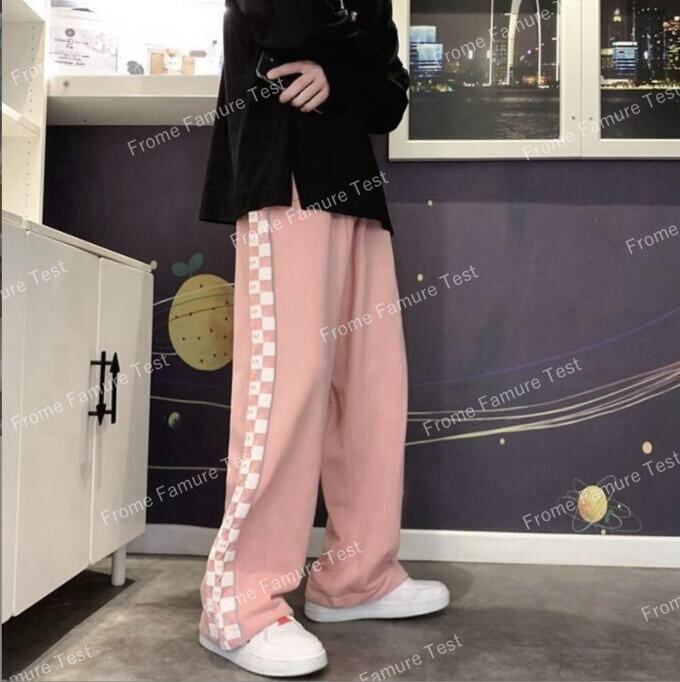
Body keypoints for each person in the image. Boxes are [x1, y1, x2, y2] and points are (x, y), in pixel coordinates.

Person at [198, 0, 449, 676]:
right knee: (287, 390)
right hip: (283, 175)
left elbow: (390, 99)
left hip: (355, 188)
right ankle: (238, 605)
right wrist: (355, 56)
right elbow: (285, 21)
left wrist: (340, 72)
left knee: (372, 390)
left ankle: (356, 578)